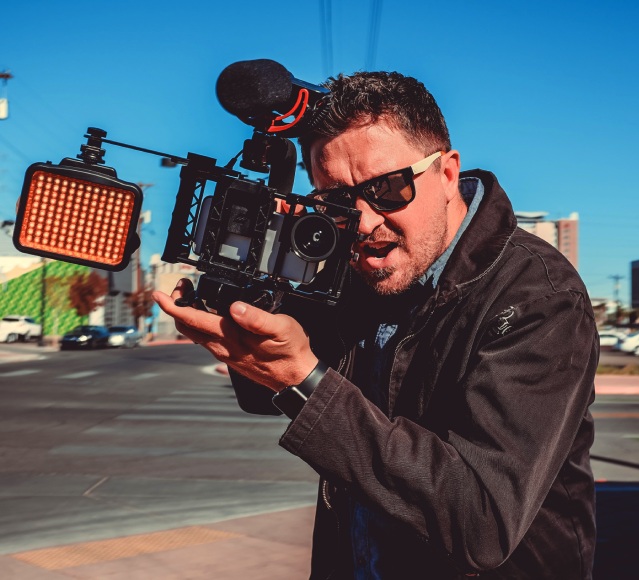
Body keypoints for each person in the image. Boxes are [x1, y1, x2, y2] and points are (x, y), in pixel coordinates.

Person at [153, 70, 598, 579]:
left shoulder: (538, 297)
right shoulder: (355, 271)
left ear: (447, 174)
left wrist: (303, 378)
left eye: (387, 189)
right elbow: (264, 396)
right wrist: (245, 322)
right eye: (337, 202)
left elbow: (482, 522)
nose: (364, 222)